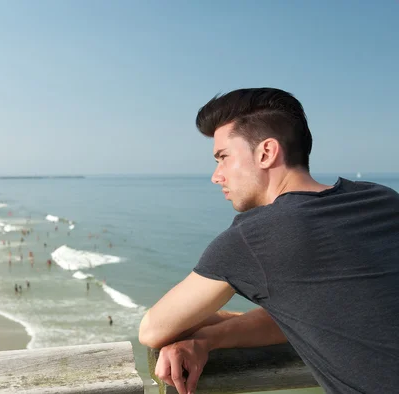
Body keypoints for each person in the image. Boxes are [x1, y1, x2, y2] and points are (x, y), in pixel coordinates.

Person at [138, 88, 399, 394]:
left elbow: (153, 329)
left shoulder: (255, 236)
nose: (216, 176)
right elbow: (329, 313)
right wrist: (210, 339)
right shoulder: (381, 200)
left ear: (266, 152)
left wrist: (213, 322)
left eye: (223, 158)